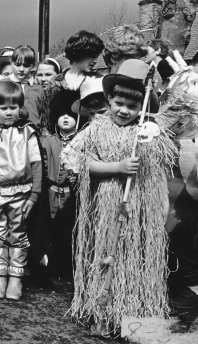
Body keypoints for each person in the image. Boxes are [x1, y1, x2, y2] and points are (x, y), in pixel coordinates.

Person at [62, 59, 175, 337]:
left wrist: (162, 207)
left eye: (133, 106)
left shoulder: (149, 133)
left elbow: (157, 174)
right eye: (119, 103)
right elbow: (77, 162)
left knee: (133, 258)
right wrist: (116, 167)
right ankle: (102, 313)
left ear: (143, 107)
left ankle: (131, 317)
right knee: (106, 255)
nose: (124, 111)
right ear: (109, 99)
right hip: (107, 206)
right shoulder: (97, 129)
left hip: (140, 208)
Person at [0, 81, 42, 300]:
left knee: (18, 234)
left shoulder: (28, 133)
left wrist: (34, 195)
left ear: (20, 108)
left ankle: (16, 278)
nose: (9, 112)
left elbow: (37, 164)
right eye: (3, 107)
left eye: (13, 107)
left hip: (21, 193)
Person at [41, 92, 78, 280]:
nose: (65, 117)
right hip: (50, 194)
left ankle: (67, 268)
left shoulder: (81, 142)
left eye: (70, 114)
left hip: (71, 196)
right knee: (51, 233)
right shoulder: (47, 141)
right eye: (61, 113)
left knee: (69, 234)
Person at [42, 30, 104, 133]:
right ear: (79, 53)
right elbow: (47, 118)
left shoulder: (98, 81)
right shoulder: (54, 83)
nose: (95, 61)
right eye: (91, 56)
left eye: (96, 56)